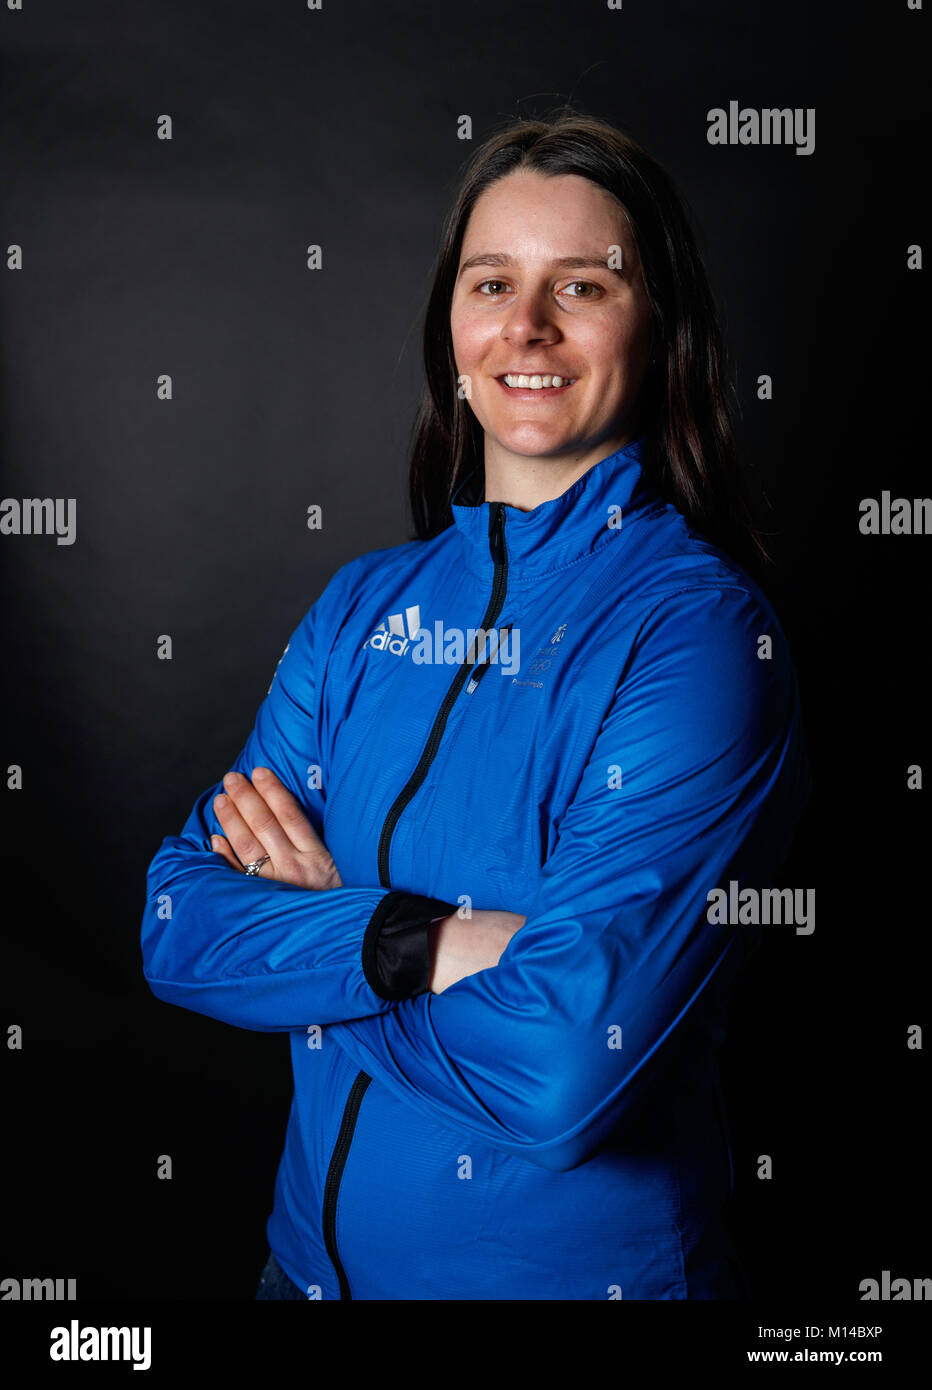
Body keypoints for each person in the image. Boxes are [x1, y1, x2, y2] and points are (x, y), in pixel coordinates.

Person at [141, 111, 812, 1300]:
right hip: (297, 1280)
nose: (526, 326)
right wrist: (421, 942)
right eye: (492, 280)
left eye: (584, 286)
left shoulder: (697, 635)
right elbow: (175, 924)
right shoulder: (359, 609)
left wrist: (314, 950)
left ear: (659, 330)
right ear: (450, 328)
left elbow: (562, 1073)